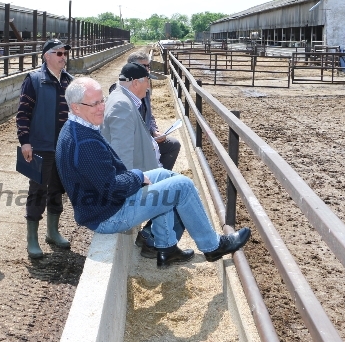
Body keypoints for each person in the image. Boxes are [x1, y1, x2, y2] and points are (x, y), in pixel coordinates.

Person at [55, 77, 251, 268]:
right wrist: (137, 176)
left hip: (102, 206)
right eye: (94, 104)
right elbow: (112, 188)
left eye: (101, 100)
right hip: (109, 214)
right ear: (75, 107)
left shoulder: (75, 127)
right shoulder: (85, 142)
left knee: (163, 175)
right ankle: (213, 246)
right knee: (183, 185)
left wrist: (136, 177)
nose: (101, 108)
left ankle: (166, 248)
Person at [102, 62, 186, 259]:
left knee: (175, 185)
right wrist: (133, 184)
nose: (148, 87)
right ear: (136, 83)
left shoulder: (127, 100)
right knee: (180, 193)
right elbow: (122, 154)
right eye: (147, 81)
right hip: (135, 176)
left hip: (140, 170)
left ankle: (153, 238)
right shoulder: (123, 105)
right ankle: (156, 242)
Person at [16, 38, 73, 258]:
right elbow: (23, 113)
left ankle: (52, 232)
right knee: (37, 191)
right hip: (41, 145)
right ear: (46, 56)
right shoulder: (34, 80)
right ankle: (32, 239)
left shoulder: (70, 82)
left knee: (57, 189)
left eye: (64, 53)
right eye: (58, 53)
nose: (63, 57)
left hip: (63, 146)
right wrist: (25, 141)